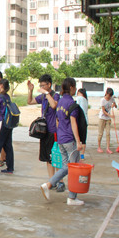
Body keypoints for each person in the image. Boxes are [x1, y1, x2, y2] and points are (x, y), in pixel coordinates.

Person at [40, 77, 86, 206]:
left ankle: (57, 188)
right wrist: (79, 141)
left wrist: (59, 136)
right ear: (71, 87)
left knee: (67, 167)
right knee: (73, 168)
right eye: (75, 86)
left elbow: (57, 121)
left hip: (61, 139)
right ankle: (63, 192)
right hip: (70, 140)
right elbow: (73, 123)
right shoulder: (71, 103)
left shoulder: (60, 102)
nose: (75, 89)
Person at [27, 74, 59, 178]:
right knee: (47, 158)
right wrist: (30, 90)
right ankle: (52, 180)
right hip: (44, 131)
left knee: (55, 158)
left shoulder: (55, 95)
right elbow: (29, 101)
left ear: (49, 84)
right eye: (40, 86)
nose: (41, 88)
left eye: (43, 85)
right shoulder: (43, 97)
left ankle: (59, 180)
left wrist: (46, 93)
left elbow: (54, 105)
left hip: (53, 131)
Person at [97, 88, 117, 154]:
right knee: (100, 133)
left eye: (110, 96)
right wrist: (110, 115)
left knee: (108, 133)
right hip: (102, 118)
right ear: (106, 93)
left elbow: (115, 105)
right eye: (109, 95)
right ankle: (99, 147)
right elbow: (103, 111)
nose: (109, 97)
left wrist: (114, 105)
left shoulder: (112, 99)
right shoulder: (102, 100)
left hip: (108, 119)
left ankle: (108, 148)